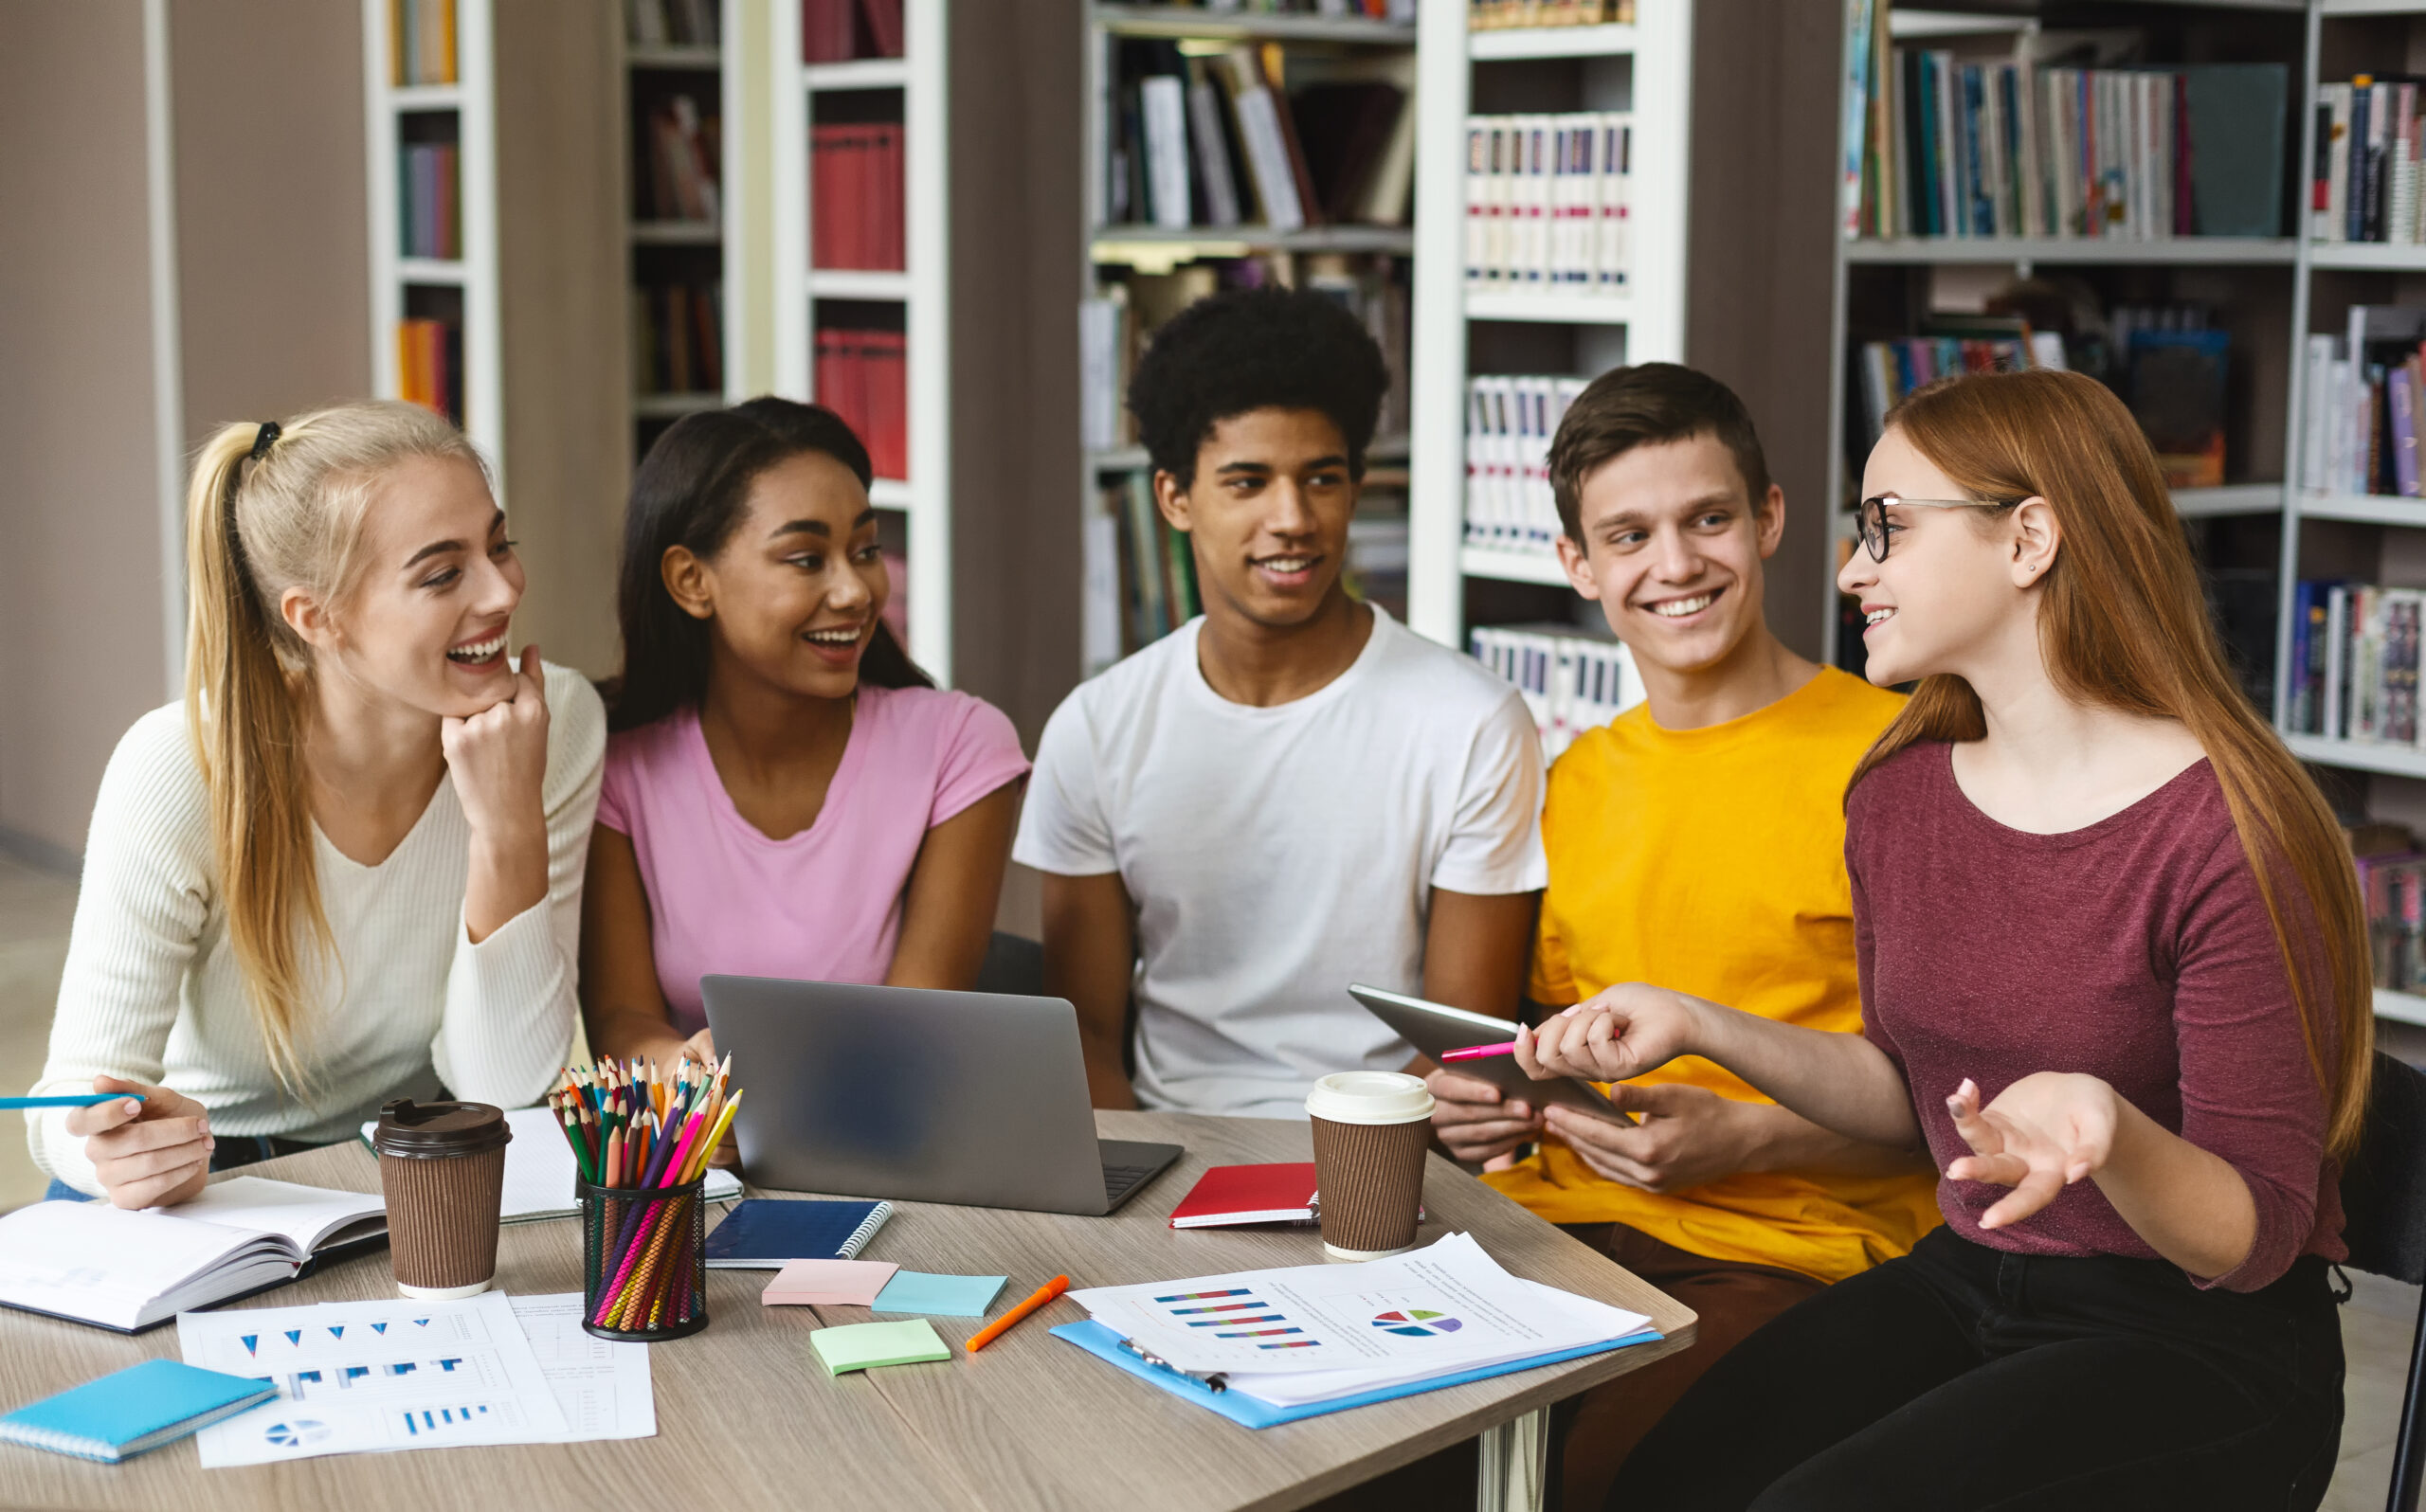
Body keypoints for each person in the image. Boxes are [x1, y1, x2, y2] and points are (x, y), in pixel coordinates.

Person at [1529, 369, 2365, 1512]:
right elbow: (1907, 1095)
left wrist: (2109, 1134)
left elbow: (2255, 1239)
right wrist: (1697, 1025)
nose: (1849, 568)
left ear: (2028, 539)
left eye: (1889, 528)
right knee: (1666, 1481)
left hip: (2200, 1339)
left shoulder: (2229, 828)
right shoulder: (1901, 793)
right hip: (1973, 1275)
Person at [1424, 364, 1939, 1507]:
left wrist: (1747, 1142)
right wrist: (1493, 1098)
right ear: (1578, 565)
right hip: (1555, 1230)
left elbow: (1961, 1110)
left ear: (1767, 519)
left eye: (1707, 518)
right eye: (1628, 535)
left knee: (1621, 1483)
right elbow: (1549, 1042)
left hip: (1796, 1255)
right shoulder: (1569, 783)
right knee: (1354, 1457)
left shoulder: (1897, 760)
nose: (1675, 565)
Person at [27, 402, 604, 1208]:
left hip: (406, 1157)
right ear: (317, 618)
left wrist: (507, 826)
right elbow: (65, 1107)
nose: (503, 588)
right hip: (209, 1176)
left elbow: (503, 1086)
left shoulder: (552, 722)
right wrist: (115, 1154)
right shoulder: (178, 767)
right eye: (443, 573)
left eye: (499, 544)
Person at [1015, 285, 1547, 1115]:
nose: (1292, 518)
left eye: (1321, 479)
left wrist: (1333, 1171)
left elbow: (1461, 1039)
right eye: (1248, 482)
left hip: (1389, 1145)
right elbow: (1083, 1038)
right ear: (1175, 498)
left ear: (1355, 487)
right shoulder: (1096, 726)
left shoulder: (1473, 721)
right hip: (1168, 1150)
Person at [579, 399, 1027, 1072]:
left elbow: (917, 1026)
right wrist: (680, 1071)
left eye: (866, 551)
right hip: (701, 1155)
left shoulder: (960, 748)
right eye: (806, 559)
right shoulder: (617, 765)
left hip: (886, 1139)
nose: (854, 591)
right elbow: (623, 1017)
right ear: (691, 581)